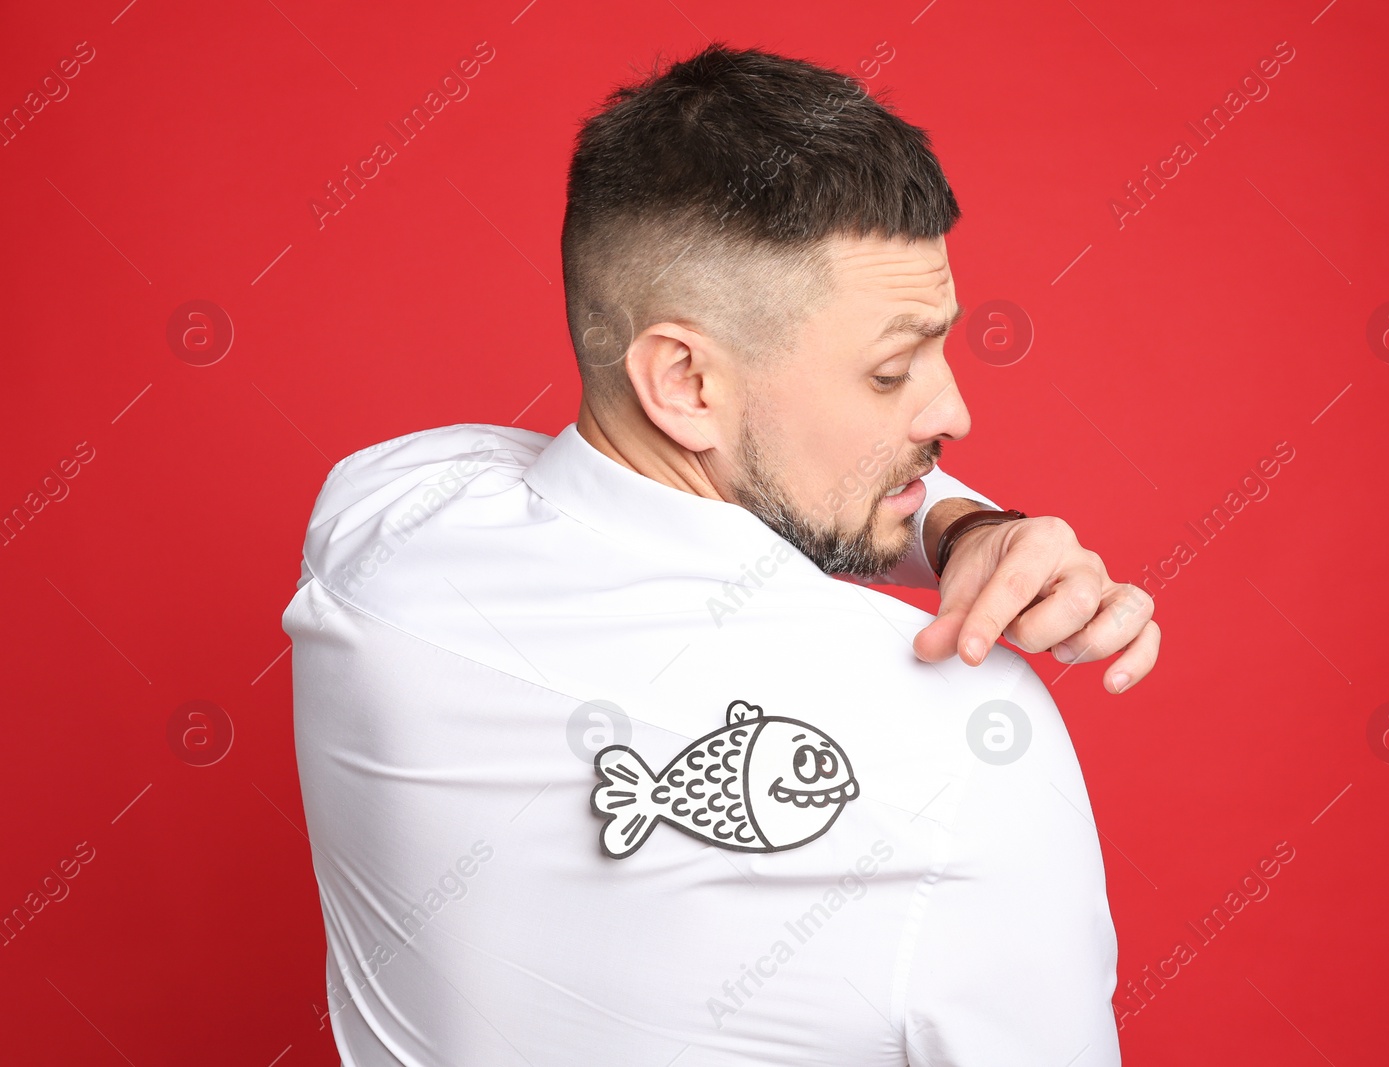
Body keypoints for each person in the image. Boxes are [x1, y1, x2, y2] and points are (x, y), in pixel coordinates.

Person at [283, 42, 1157, 1066]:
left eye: (941, 348)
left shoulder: (379, 528)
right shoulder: (966, 739)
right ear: (687, 384)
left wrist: (954, 522)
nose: (953, 407)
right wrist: (954, 523)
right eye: (890, 370)